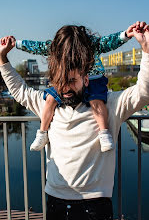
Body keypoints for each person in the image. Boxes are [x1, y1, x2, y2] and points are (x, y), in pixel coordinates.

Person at [0, 21, 149, 220]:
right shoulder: (47, 104)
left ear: (86, 77)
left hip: (94, 207)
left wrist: (148, 51)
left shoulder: (109, 106)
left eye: (72, 81)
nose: (66, 89)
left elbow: (145, 92)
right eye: (60, 83)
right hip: (55, 206)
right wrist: (2, 59)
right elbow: (20, 91)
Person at [14, 24, 138, 152]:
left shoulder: (91, 44)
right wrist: (17, 43)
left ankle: (104, 133)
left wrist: (125, 35)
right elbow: (37, 47)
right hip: (68, 79)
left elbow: (109, 42)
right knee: (50, 99)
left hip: (93, 78)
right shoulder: (56, 46)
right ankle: (42, 133)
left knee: (96, 101)